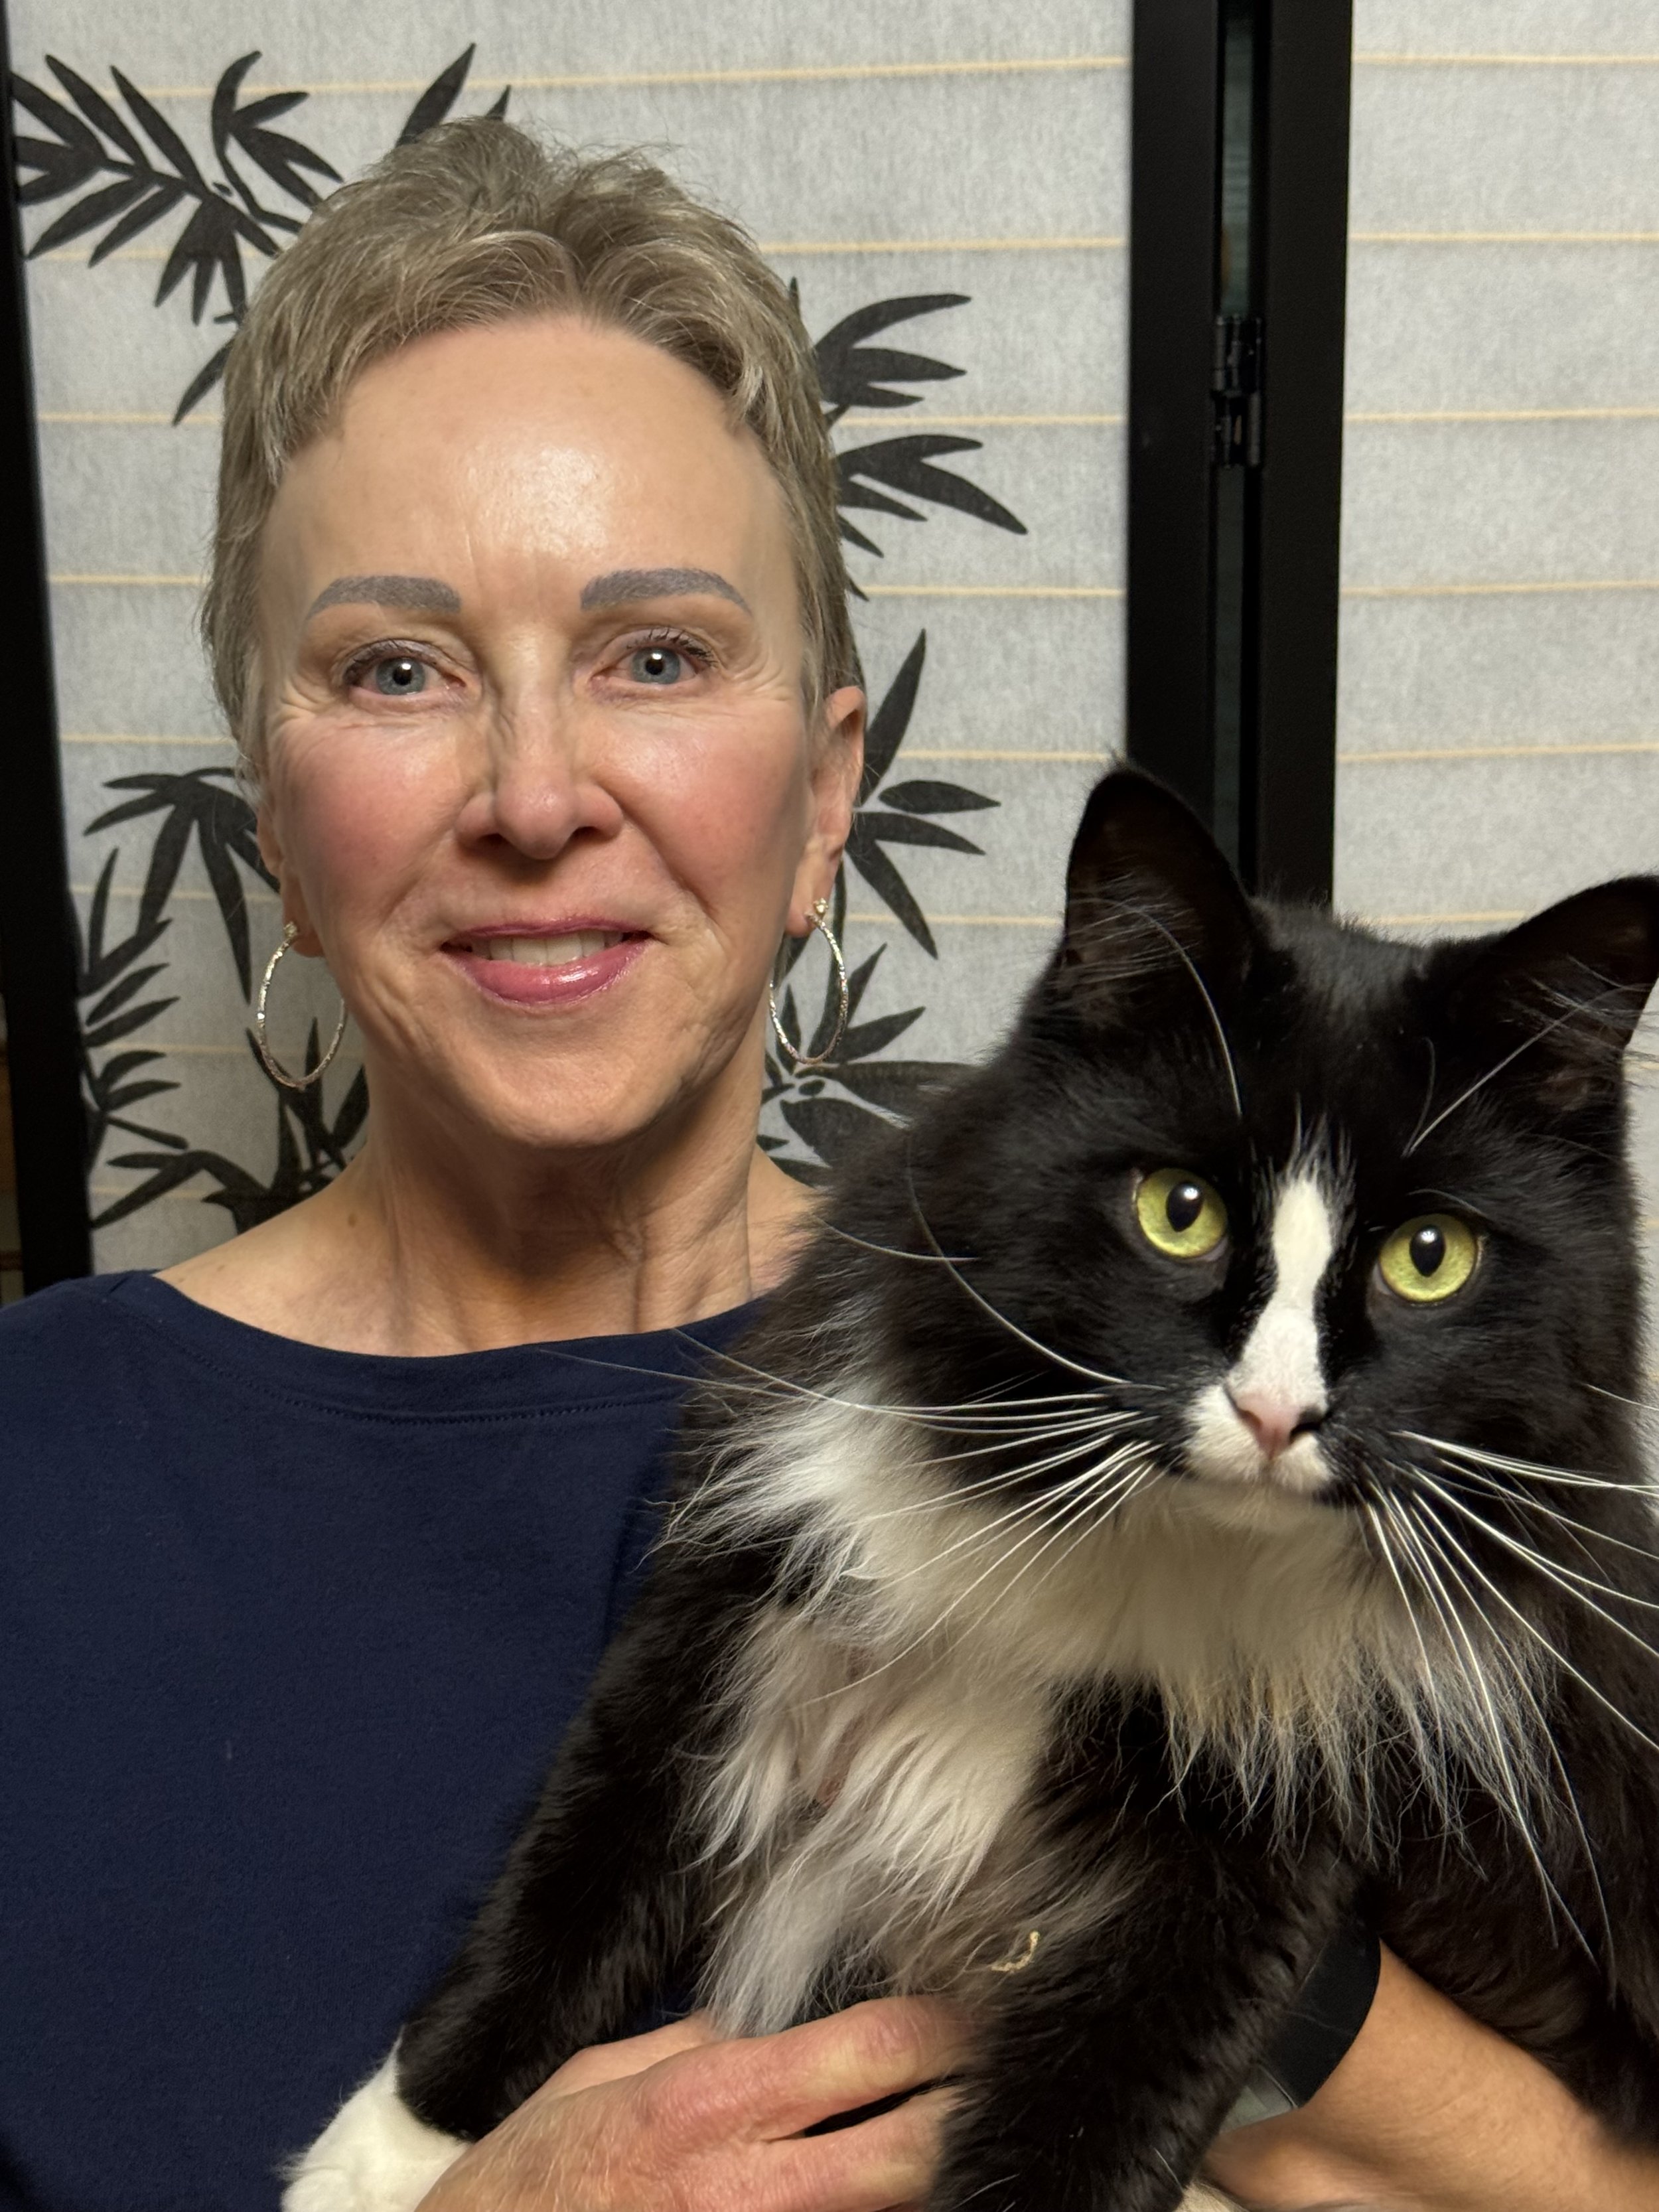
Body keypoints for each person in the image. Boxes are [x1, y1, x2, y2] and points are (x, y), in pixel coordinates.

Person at [0, 118, 1652, 2212]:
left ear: (823, 792)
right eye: (395, 668)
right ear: (273, 812)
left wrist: (1245, 1967)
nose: (535, 793)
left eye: (657, 655)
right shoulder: (39, 1469)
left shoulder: (1321, 1519)